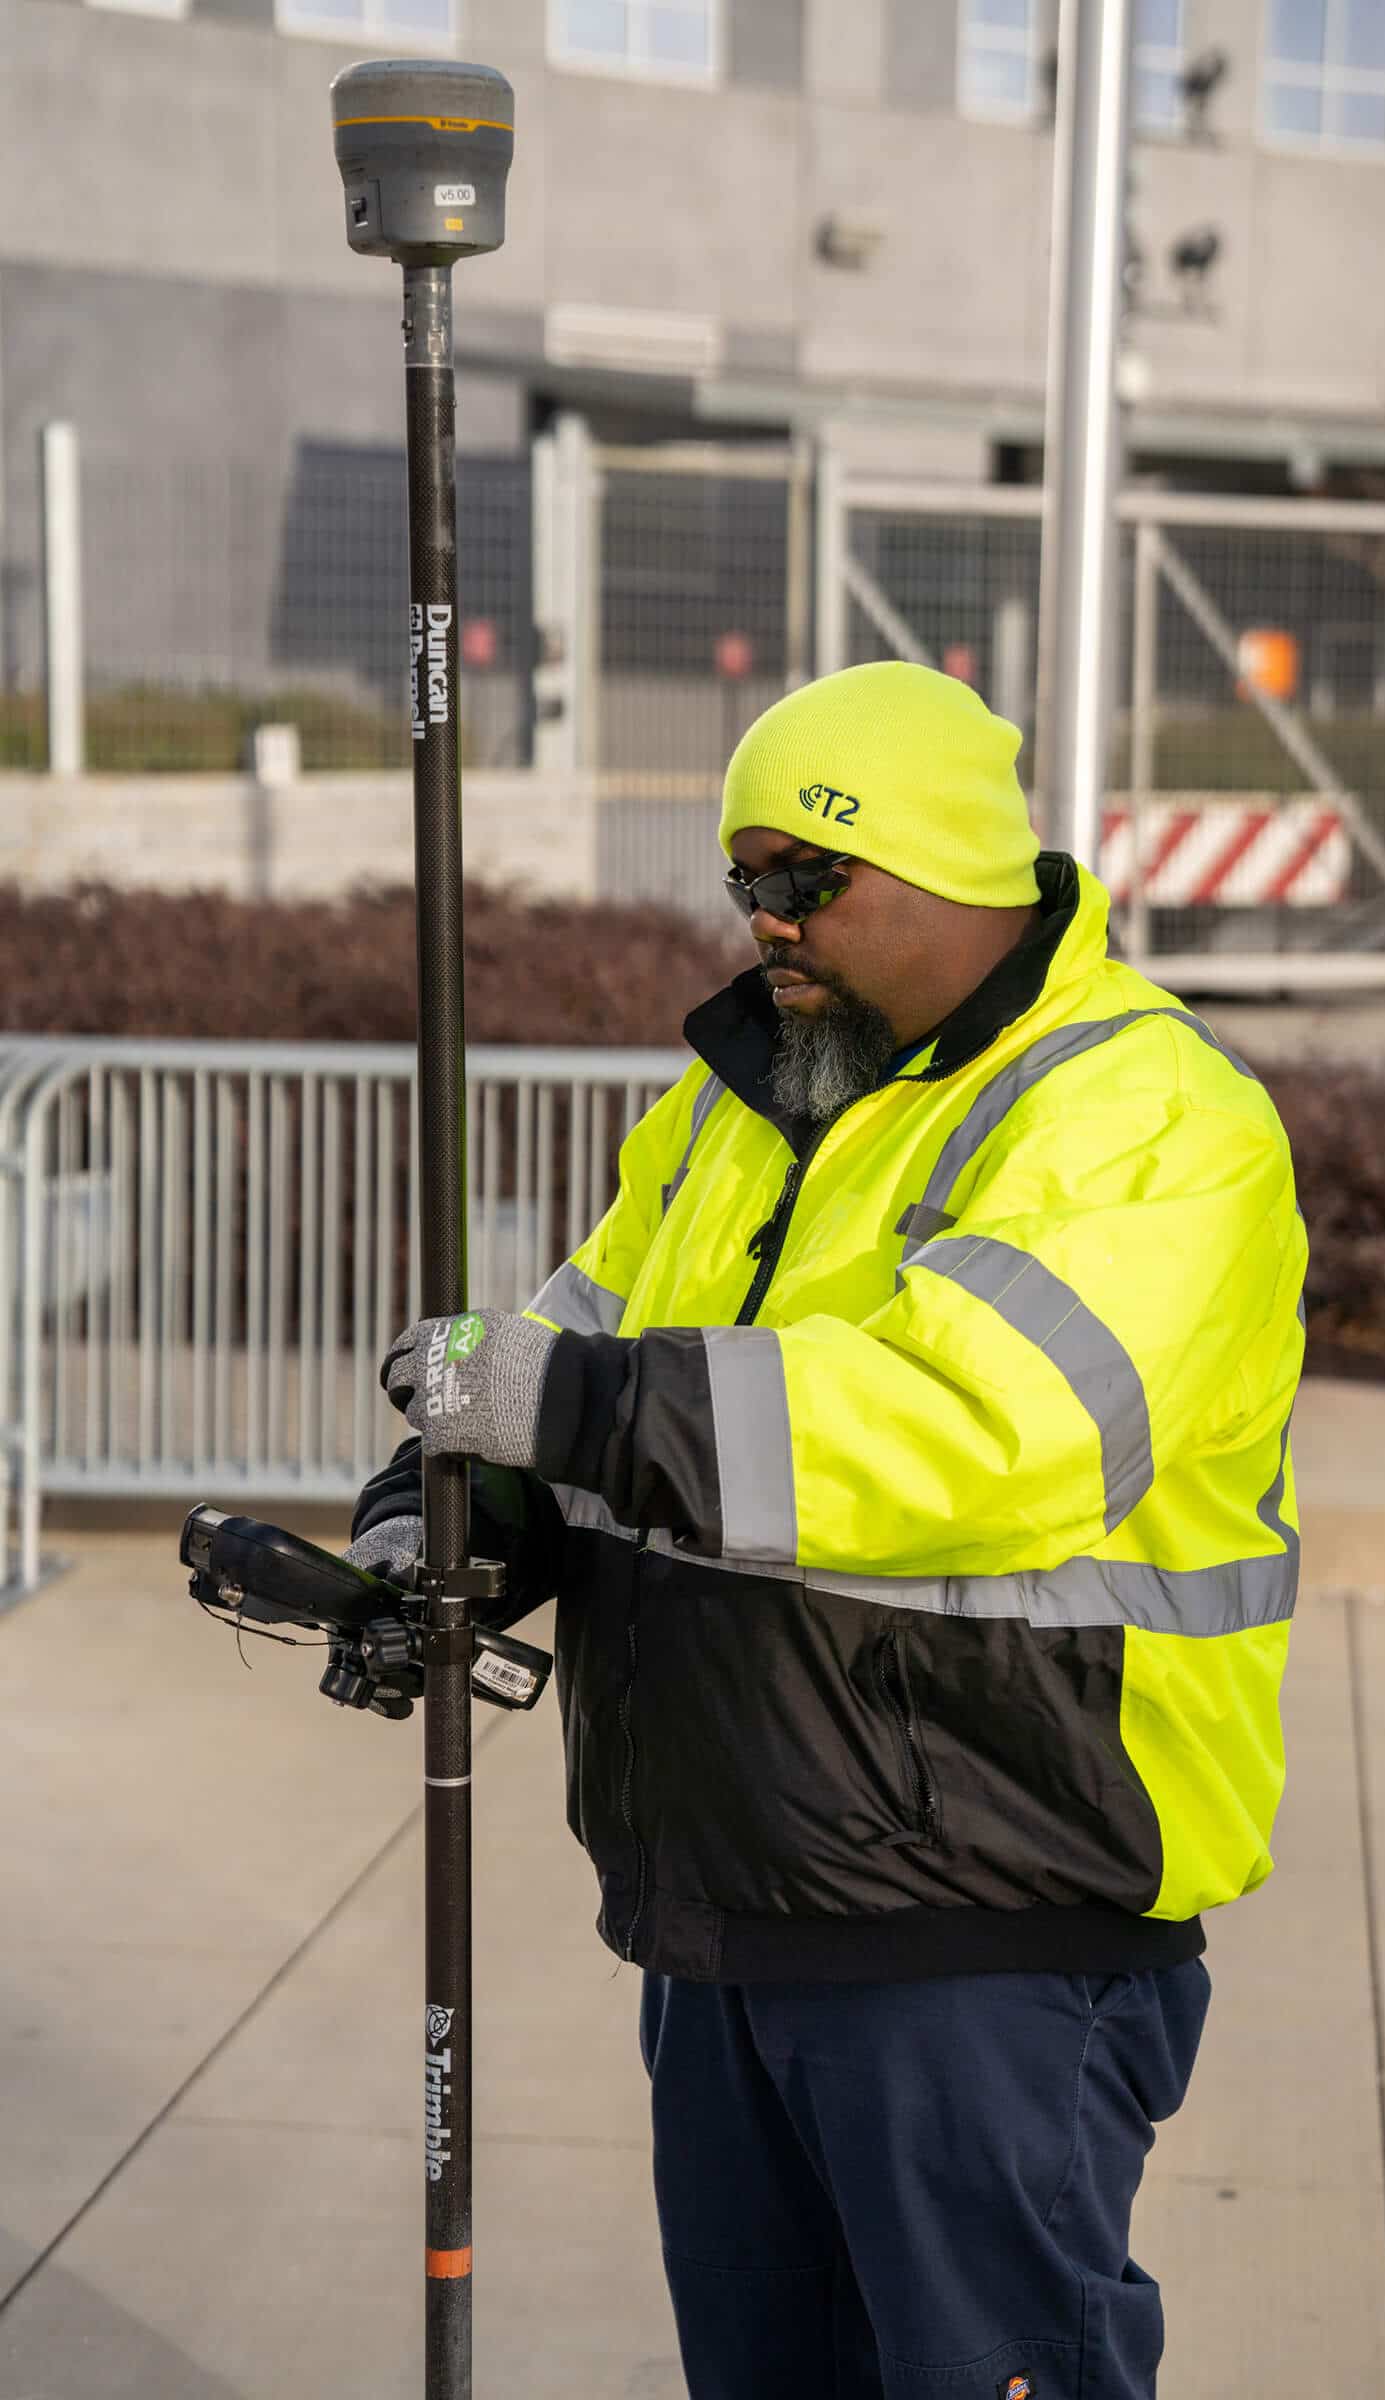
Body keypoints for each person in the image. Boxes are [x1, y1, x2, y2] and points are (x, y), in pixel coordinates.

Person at [351, 660, 1306, 2400]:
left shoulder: (1146, 1115)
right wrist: (446, 1523)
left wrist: (566, 1405)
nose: (767, 917)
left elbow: (979, 1429)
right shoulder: (739, 1107)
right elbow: (577, 1358)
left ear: (953, 865)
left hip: (986, 1923)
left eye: (809, 874)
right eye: (745, 878)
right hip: (734, 1894)